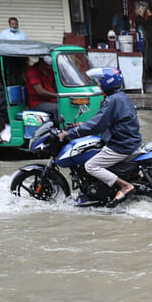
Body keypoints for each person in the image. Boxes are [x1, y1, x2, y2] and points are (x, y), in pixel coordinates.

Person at [58, 68, 140, 206]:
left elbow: (97, 124)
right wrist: (82, 125)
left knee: (90, 166)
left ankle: (125, 186)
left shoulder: (113, 100)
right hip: (129, 140)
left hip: (120, 144)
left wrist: (70, 133)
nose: (98, 85)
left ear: (108, 82)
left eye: (100, 82)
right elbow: (103, 120)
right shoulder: (120, 97)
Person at [25, 56, 58, 120]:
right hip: (37, 103)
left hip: (51, 100)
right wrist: (58, 95)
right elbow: (40, 92)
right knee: (59, 108)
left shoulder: (49, 71)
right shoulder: (32, 71)